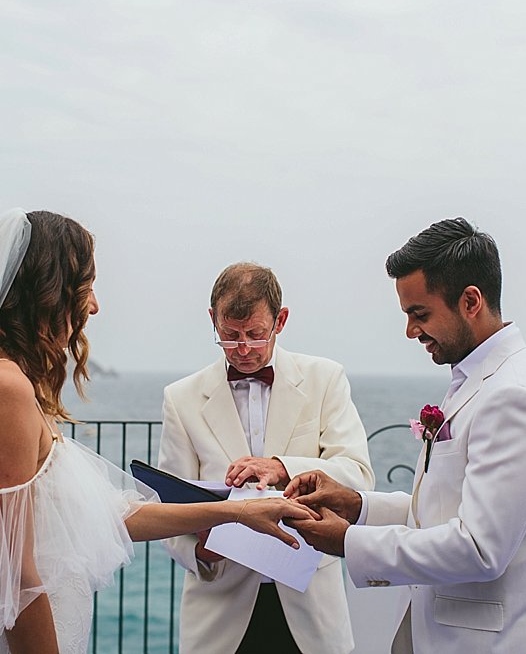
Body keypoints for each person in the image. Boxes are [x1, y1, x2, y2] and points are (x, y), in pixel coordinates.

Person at [0, 211, 315, 654]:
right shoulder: (1, 386)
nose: (95, 304)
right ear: (49, 292)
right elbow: (12, 579)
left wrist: (235, 512)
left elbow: (117, 515)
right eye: (86, 286)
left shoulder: (0, 379)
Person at [285, 218, 526, 653]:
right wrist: (356, 506)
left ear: (470, 301)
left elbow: (479, 548)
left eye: (419, 314)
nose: (410, 330)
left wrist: (347, 541)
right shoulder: (480, 379)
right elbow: (446, 510)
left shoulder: (516, 396)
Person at [157, 262, 375, 654]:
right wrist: (201, 549)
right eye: (229, 336)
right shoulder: (181, 398)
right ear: (212, 320)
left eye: (256, 335)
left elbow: (358, 477)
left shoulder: (325, 379)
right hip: (219, 614)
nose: (242, 349)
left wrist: (282, 466)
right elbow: (169, 508)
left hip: (311, 609)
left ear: (281, 320)